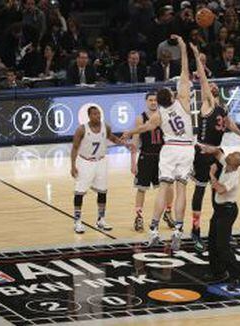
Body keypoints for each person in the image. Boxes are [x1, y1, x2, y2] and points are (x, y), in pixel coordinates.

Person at [122, 34, 193, 251]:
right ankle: (178, 231)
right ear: (172, 96)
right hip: (186, 148)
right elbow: (184, 71)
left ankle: (153, 230)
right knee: (181, 191)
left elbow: (143, 128)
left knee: (163, 189)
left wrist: (128, 132)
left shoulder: (158, 115)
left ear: (159, 102)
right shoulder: (183, 101)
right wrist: (182, 47)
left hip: (169, 149)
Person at [190, 43, 240, 252]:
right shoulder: (207, 104)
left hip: (217, 152)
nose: (212, 85)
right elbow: (204, 80)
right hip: (203, 151)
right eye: (210, 85)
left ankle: (221, 230)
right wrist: (197, 57)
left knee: (221, 192)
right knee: (200, 191)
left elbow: (230, 122)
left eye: (215, 85)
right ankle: (195, 232)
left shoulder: (221, 108)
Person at [70, 106, 131, 234]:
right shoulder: (81, 129)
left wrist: (124, 143)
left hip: (101, 162)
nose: (97, 116)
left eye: (99, 114)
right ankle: (77, 221)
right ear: (89, 116)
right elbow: (75, 148)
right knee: (79, 192)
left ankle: (101, 219)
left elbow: (112, 138)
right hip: (85, 162)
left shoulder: (105, 127)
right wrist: (73, 165)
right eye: (94, 114)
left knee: (102, 192)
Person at [198, 144, 240, 285]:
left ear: (234, 164)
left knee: (222, 246)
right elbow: (218, 152)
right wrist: (208, 149)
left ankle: (237, 274)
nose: (228, 155)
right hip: (219, 210)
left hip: (228, 211)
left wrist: (212, 175)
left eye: (231, 156)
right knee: (212, 242)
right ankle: (218, 272)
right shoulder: (227, 164)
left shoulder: (234, 176)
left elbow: (220, 190)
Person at [131, 92, 175, 232]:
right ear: (146, 102)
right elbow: (135, 140)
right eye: (150, 100)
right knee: (141, 189)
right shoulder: (140, 118)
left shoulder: (164, 116)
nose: (153, 102)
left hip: (163, 157)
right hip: (146, 156)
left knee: (168, 187)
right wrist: (133, 162)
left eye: (155, 100)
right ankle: (138, 217)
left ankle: (168, 213)